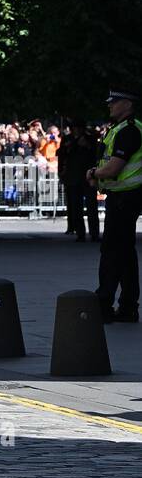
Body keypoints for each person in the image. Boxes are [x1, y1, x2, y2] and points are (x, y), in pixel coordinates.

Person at [91, 90, 142, 322]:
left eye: (114, 102)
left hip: (124, 197)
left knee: (112, 251)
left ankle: (103, 303)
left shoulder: (129, 130)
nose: (109, 106)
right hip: (123, 196)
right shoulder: (123, 128)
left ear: (127, 104)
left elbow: (113, 169)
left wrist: (93, 173)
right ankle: (128, 305)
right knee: (125, 252)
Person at [59, 119, 99, 241]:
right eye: (75, 128)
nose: (77, 130)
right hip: (73, 177)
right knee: (76, 207)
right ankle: (80, 233)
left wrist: (86, 145)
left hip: (88, 176)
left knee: (92, 207)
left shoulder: (90, 138)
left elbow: (96, 153)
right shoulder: (67, 139)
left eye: (79, 128)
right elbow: (61, 154)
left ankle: (94, 233)